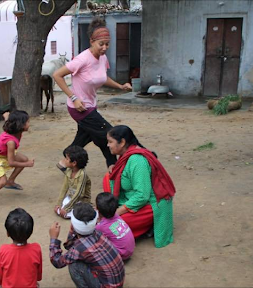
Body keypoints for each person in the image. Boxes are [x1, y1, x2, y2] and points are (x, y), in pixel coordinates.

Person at [53, 17, 132, 173]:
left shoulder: (102, 58)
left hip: (91, 105)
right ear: (92, 41)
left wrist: (119, 86)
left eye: (107, 44)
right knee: (110, 134)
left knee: (92, 136)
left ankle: (65, 161)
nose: (104, 48)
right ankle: (117, 166)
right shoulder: (82, 59)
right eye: (100, 44)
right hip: (80, 108)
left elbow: (103, 77)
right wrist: (74, 98)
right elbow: (57, 75)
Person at [105, 125, 175, 248]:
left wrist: (118, 212)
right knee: (108, 177)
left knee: (114, 225)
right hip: (135, 196)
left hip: (151, 203)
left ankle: (150, 224)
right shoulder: (126, 154)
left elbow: (142, 196)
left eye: (110, 142)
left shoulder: (137, 161)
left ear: (122, 142)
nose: (108, 145)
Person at [49, 202, 125, 288]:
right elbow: (69, 246)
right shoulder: (98, 233)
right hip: (117, 283)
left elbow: (57, 261)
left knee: (74, 265)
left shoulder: (79, 248)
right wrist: (73, 229)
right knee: (79, 258)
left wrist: (53, 239)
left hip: (107, 285)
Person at [0, 110, 35, 211]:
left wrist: (6, 116)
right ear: (20, 125)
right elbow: (11, 162)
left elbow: (8, 119)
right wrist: (28, 164)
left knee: (23, 160)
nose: (29, 124)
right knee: (2, 182)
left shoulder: (13, 127)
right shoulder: (11, 142)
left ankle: (11, 181)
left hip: (2, 153)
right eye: (27, 122)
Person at [0, 208, 42, 288]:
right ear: (31, 232)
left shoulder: (3, 250)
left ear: (7, 233)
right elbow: (38, 272)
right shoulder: (36, 248)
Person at [54, 145, 91, 219]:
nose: (64, 160)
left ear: (74, 163)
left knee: (71, 212)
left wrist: (66, 208)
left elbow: (79, 194)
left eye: (67, 159)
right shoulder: (68, 171)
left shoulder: (82, 174)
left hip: (81, 200)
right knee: (60, 209)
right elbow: (64, 188)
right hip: (71, 198)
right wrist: (58, 203)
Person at [96, 192, 135, 260]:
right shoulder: (116, 215)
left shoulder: (101, 226)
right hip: (130, 250)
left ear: (97, 209)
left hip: (122, 255)